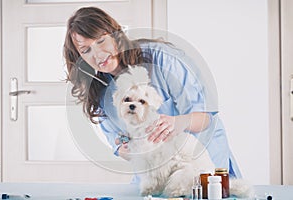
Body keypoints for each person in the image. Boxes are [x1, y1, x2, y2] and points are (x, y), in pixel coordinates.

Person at [63, 6, 242, 179]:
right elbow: (119, 145)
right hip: (157, 172)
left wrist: (178, 122)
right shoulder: (101, 93)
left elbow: (206, 118)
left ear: (115, 35)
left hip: (200, 163)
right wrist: (127, 148)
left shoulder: (162, 59)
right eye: (86, 50)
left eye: (101, 41)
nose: (98, 54)